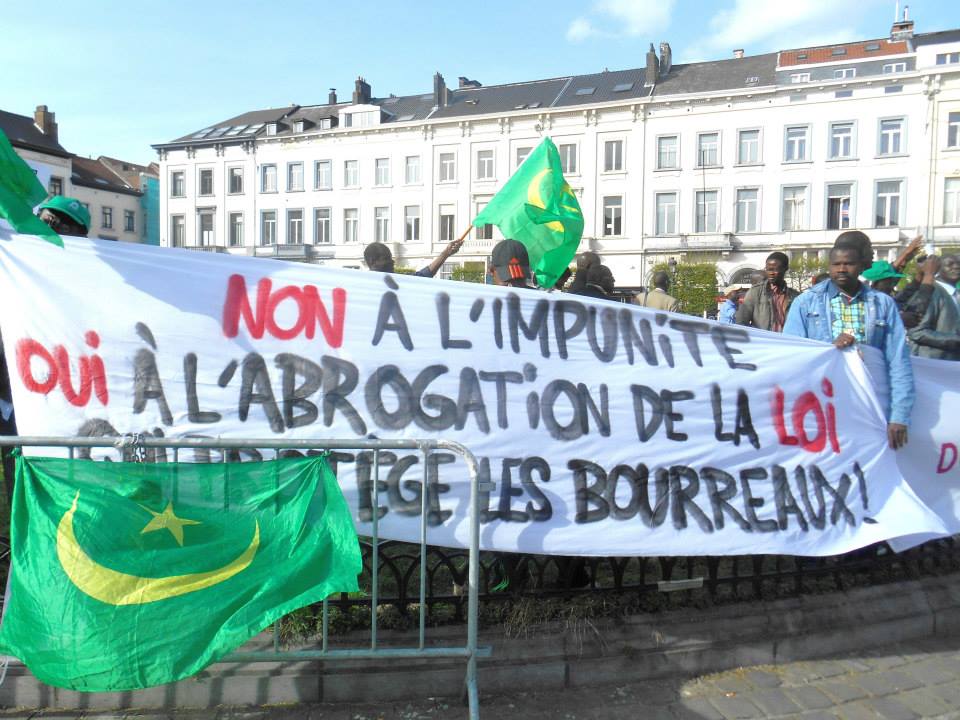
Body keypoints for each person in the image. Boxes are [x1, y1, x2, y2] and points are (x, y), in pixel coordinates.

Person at [2, 195, 91, 502]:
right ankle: (23, 540)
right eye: (48, 221)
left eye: (62, 226)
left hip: (63, 397)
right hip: (10, 392)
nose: (52, 230)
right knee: (21, 470)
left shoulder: (89, 279)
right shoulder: (13, 263)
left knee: (53, 474)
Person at [784, 246, 913, 450]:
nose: (842, 269)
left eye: (849, 264)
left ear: (861, 266)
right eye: (836, 264)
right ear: (829, 266)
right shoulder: (806, 303)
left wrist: (899, 416)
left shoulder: (883, 304)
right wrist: (828, 349)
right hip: (821, 406)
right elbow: (791, 356)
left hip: (870, 406)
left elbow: (898, 362)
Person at [735, 252, 798, 332]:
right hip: (762, 342)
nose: (771, 273)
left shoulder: (794, 296)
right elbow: (741, 322)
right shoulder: (755, 292)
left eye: (775, 269)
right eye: (768, 269)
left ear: (785, 269)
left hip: (786, 342)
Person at [364, 238, 464, 277]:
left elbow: (424, 275)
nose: (392, 262)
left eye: (391, 258)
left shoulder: (400, 281)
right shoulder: (359, 287)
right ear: (372, 261)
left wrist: (446, 253)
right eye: (386, 259)